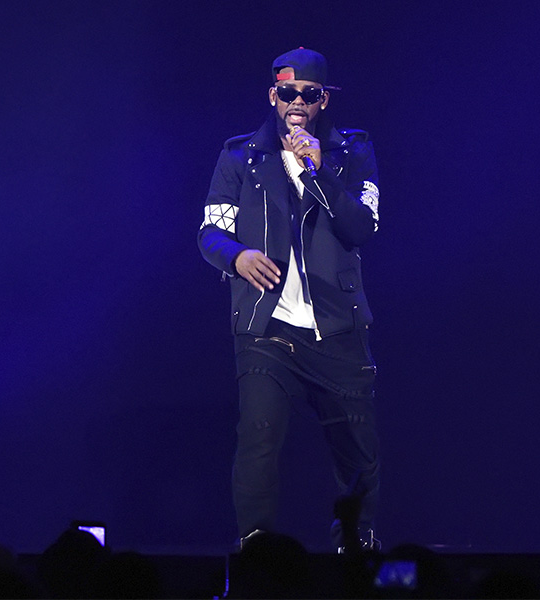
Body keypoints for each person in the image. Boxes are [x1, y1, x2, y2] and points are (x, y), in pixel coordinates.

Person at [198, 47, 382, 551]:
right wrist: (236, 256)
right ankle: (257, 551)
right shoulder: (241, 156)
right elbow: (210, 233)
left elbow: (362, 227)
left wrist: (320, 172)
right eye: (287, 92)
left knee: (358, 451)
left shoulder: (352, 152)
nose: (297, 102)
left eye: (309, 93)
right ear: (272, 96)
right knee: (258, 436)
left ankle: (357, 549)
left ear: (324, 100)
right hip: (267, 327)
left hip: (338, 326)